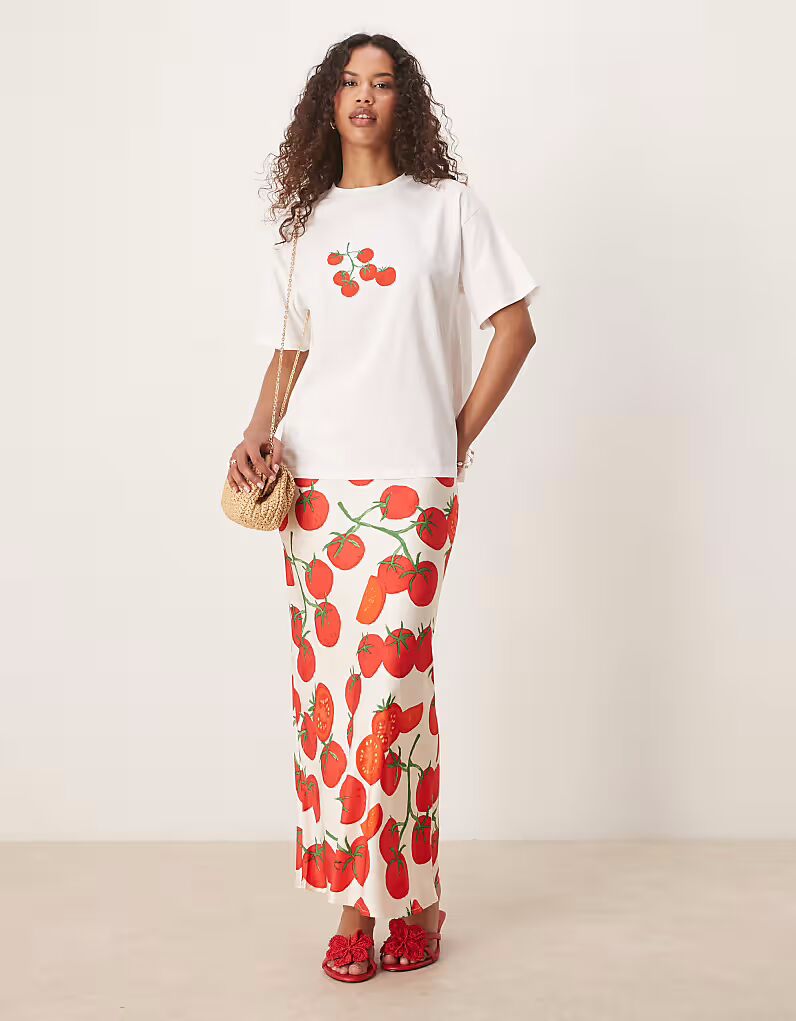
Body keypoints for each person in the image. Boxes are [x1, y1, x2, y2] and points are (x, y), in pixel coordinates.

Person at [226, 33, 540, 983]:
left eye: (384, 83)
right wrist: (254, 431)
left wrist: (454, 435)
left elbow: (515, 329)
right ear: (327, 102)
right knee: (339, 699)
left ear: (407, 103)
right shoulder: (304, 225)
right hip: (317, 492)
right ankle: (407, 894)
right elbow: (289, 356)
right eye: (350, 82)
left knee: (388, 688)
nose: (366, 96)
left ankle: (366, 901)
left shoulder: (448, 210)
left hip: (412, 485)